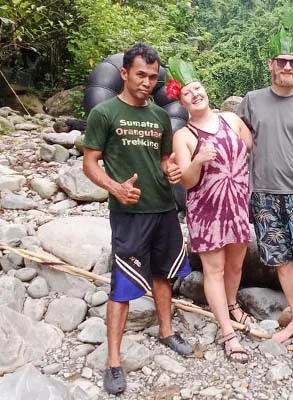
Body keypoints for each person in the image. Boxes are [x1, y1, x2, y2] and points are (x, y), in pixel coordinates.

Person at [83, 43, 193, 395]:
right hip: (129, 214)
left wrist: (172, 169)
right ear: (124, 73)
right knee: (122, 286)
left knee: (164, 274)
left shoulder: (161, 116)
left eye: (152, 76)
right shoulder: (104, 113)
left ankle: (166, 332)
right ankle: (113, 362)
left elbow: (162, 161)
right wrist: (115, 188)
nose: (147, 82)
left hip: (163, 209)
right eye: (140, 75)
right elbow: (89, 162)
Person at [236, 23, 293, 348]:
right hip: (263, 195)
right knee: (281, 260)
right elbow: (237, 137)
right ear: (270, 64)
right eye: (281, 61)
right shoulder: (251, 101)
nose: (287, 67)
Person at [167, 57, 254, 363]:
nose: (195, 94)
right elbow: (188, 182)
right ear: (182, 102)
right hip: (207, 210)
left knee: (235, 265)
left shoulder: (231, 120)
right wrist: (198, 159)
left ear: (207, 91)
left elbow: (248, 145)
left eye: (198, 88)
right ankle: (228, 333)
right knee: (214, 270)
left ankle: (231, 304)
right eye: (188, 93)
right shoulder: (184, 136)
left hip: (238, 204)